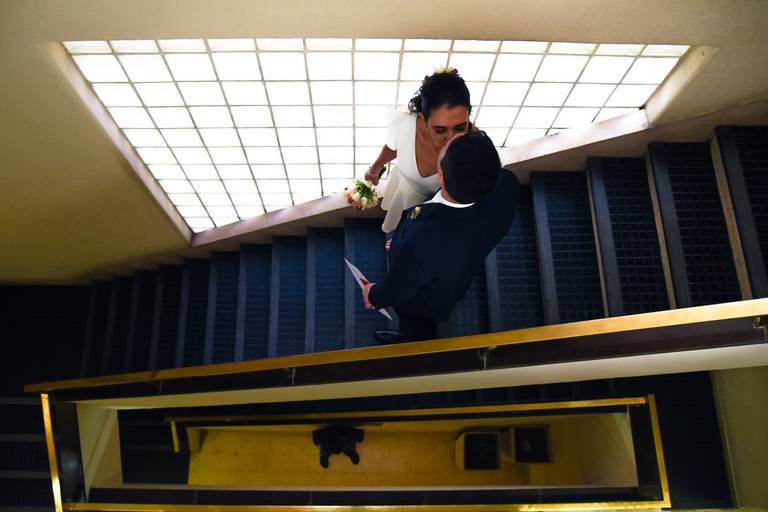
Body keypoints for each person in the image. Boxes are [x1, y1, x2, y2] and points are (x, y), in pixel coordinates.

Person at [362, 131, 519, 343]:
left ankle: (413, 341)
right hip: (457, 273)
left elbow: (399, 287)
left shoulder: (421, 243)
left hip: (424, 298)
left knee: (416, 322)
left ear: (441, 178)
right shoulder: (508, 184)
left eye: (444, 147)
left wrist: (373, 294)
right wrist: (403, 243)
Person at [364, 68, 474, 233]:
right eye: (440, 130)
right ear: (423, 120)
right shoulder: (404, 124)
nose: (451, 139)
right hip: (405, 192)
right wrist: (373, 170)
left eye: (460, 128)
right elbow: (393, 147)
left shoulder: (475, 147)